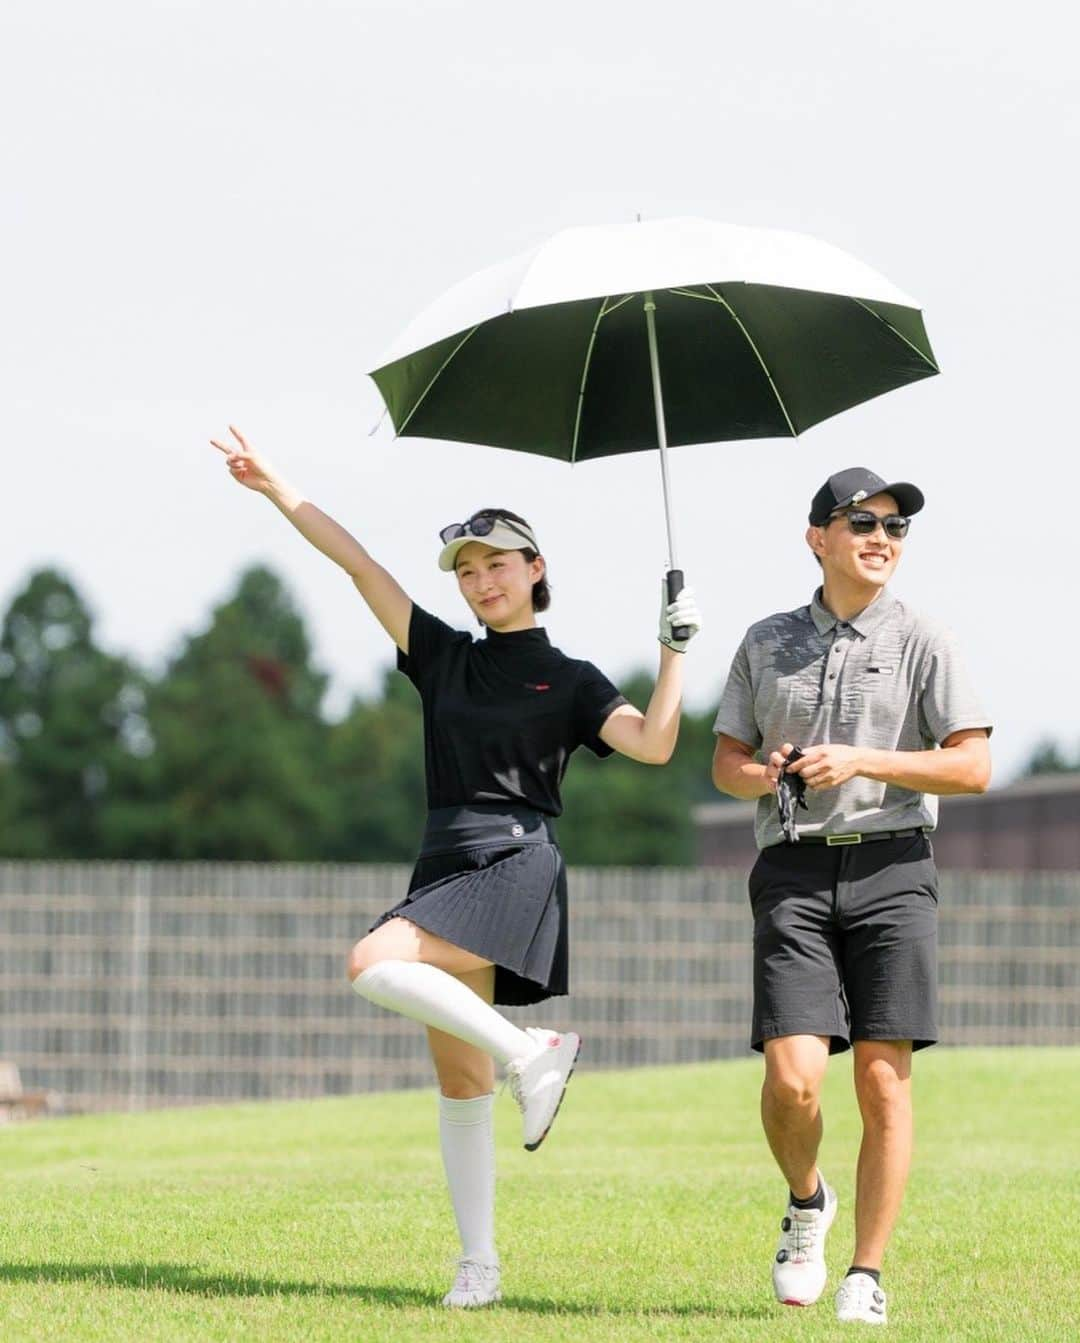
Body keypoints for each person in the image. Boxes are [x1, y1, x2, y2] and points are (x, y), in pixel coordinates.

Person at [211, 425, 702, 1309]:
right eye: (468, 571)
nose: (482, 581)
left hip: (516, 858)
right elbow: (359, 565)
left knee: (373, 964)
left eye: (497, 564)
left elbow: (656, 745)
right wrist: (279, 490)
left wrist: (673, 653)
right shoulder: (445, 658)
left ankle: (539, 1052)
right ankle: (479, 1264)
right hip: (444, 859)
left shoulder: (573, 677)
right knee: (459, 1077)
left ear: (535, 567)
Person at [710, 467, 991, 1327]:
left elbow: (972, 765)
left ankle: (866, 1271)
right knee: (794, 1080)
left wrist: (864, 759)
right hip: (792, 869)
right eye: (860, 521)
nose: (881, 537)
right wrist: (770, 772)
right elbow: (726, 763)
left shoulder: (925, 638)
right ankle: (806, 1202)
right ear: (817, 539)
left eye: (896, 527)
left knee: (881, 1080)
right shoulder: (763, 641)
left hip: (894, 870)